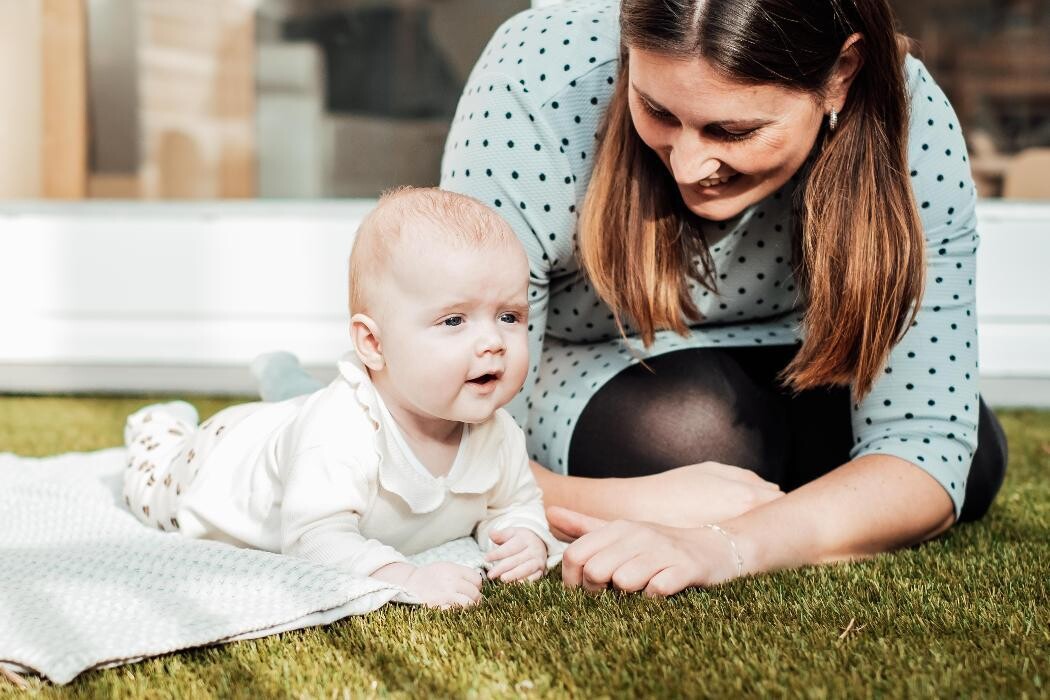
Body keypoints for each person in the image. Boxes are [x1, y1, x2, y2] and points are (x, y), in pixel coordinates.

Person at [259, 0, 1008, 596]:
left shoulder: (911, 119)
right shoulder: (535, 83)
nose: (688, 164)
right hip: (584, 359)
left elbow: (924, 448)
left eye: (733, 129)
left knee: (972, 462)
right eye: (658, 111)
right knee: (696, 435)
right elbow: (467, 425)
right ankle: (321, 412)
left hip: (792, 359)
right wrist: (637, 505)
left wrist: (725, 544)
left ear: (840, 75)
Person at [123, 187, 562, 608]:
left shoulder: (498, 434)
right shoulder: (339, 434)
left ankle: (282, 376)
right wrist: (406, 577)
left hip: (293, 427)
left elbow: (514, 503)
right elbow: (314, 539)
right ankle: (159, 424)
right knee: (151, 488)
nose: (493, 342)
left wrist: (524, 536)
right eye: (453, 321)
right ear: (373, 344)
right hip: (220, 458)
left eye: (509, 316)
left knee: (299, 407)